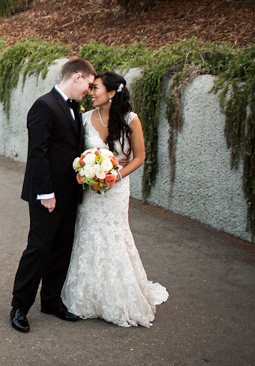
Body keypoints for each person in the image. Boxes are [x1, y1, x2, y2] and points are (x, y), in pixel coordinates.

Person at [62, 71, 168, 327]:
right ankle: (86, 295)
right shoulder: (85, 118)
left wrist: (115, 176)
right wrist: (87, 171)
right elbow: (77, 155)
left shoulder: (131, 120)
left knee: (114, 233)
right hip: (91, 190)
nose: (90, 92)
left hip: (117, 190)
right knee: (88, 232)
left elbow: (139, 157)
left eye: (95, 88)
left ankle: (119, 296)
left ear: (111, 93)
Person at [10, 58, 96, 333]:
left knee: (62, 248)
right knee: (38, 249)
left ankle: (51, 300)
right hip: (46, 195)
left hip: (70, 193)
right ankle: (19, 307)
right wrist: (46, 193)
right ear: (77, 77)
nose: (90, 91)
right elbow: (38, 153)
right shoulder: (43, 106)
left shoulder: (74, 108)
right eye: (89, 84)